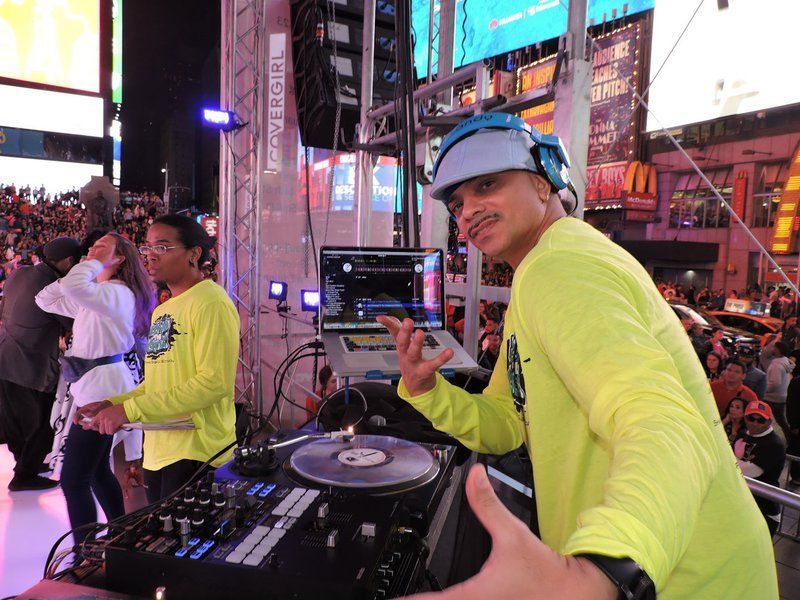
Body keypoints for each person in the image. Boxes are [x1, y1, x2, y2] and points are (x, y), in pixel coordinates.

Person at [376, 113, 776, 598]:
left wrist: (606, 566)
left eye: (487, 184)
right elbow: (507, 422)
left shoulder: (558, 266)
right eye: (457, 203)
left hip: (684, 579)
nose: (468, 212)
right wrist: (427, 390)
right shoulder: (541, 272)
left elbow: (661, 418)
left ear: (544, 182)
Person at [75, 215, 240, 503]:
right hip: (160, 452)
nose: (150, 255)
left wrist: (130, 410)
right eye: (147, 247)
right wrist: (113, 403)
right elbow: (157, 383)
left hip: (198, 453)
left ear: (194, 254)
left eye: (162, 247)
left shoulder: (211, 302)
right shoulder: (164, 309)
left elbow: (213, 383)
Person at [35, 233, 155, 544]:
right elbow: (44, 299)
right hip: (95, 387)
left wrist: (90, 267)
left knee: (74, 480)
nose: (91, 249)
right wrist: (88, 269)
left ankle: (85, 551)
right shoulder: (99, 294)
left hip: (103, 391)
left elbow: (74, 287)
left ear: (120, 258)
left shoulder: (118, 293)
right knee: (98, 471)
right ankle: (121, 535)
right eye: (92, 247)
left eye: (101, 247)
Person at [0, 236, 80, 491]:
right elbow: (73, 323)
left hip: (5, 355)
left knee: (15, 420)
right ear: (69, 261)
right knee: (42, 421)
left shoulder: (19, 273)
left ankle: (24, 464)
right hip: (32, 363)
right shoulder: (53, 286)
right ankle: (24, 476)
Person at [734, 401, 786, 536]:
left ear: (769, 422)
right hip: (743, 504)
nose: (755, 423)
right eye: (751, 418)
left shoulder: (774, 444)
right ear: (745, 417)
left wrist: (727, 460)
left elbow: (750, 472)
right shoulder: (743, 434)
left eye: (761, 420)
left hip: (764, 510)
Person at [764, 341, 794, 440]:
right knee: (781, 420)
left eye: (774, 347)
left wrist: (764, 390)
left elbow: (775, 383)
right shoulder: (785, 361)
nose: (772, 349)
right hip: (781, 396)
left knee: (763, 419)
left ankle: (767, 440)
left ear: (778, 350)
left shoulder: (777, 365)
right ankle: (791, 438)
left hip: (771, 398)